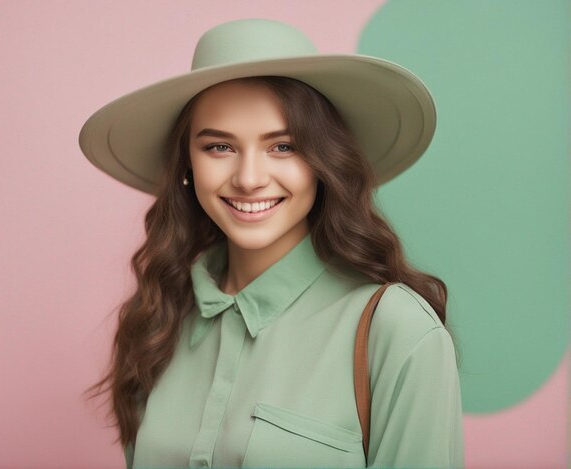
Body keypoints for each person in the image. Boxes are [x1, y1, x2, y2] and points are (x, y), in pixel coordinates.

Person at [80, 18, 464, 469]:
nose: (249, 179)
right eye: (219, 148)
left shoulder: (398, 331)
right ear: (186, 164)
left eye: (282, 146)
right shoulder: (159, 319)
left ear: (323, 162)